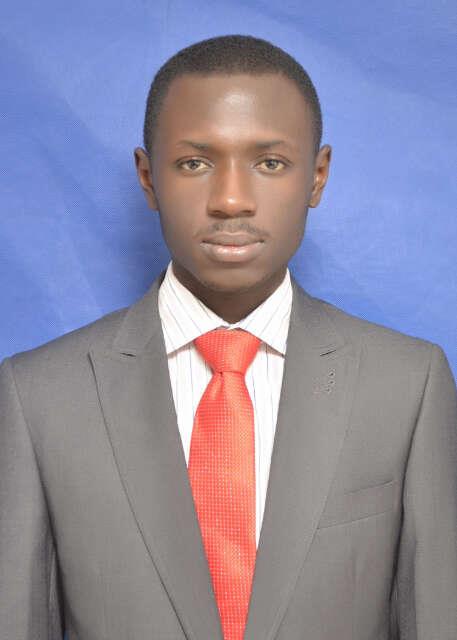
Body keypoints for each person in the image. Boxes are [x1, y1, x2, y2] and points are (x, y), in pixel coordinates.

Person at [0, 34, 456, 640]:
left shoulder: (407, 385)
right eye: (195, 163)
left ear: (317, 176)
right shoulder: (39, 397)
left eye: (270, 163)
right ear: (148, 177)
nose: (232, 200)